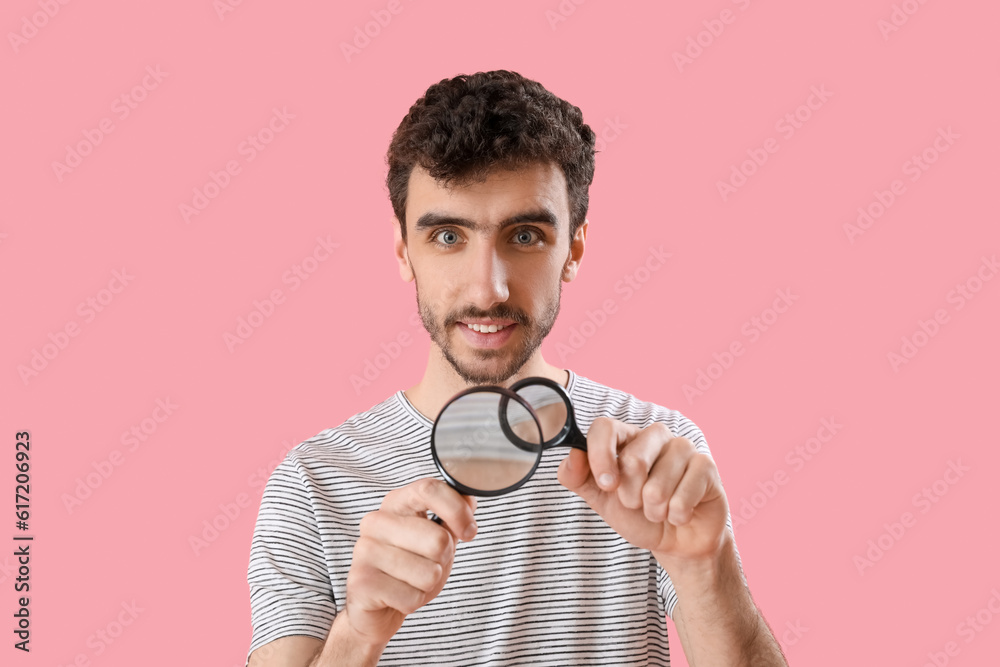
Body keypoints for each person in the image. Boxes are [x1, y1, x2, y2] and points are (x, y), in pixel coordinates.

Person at [246, 70, 788, 666]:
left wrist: (704, 565)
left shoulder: (655, 458)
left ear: (573, 250)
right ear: (404, 249)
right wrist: (358, 634)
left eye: (525, 235)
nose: (489, 288)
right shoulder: (313, 482)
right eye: (448, 236)